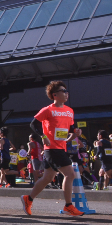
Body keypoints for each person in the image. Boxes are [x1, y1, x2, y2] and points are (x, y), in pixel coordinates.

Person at [21, 81, 84, 216]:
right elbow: (34, 124)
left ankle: (28, 198)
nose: (66, 93)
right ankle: (68, 205)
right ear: (55, 95)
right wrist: (43, 136)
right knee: (70, 174)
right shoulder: (48, 110)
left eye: (67, 91)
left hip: (60, 148)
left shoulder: (69, 111)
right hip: (51, 148)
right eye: (63, 91)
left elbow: (72, 130)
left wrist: (75, 134)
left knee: (47, 178)